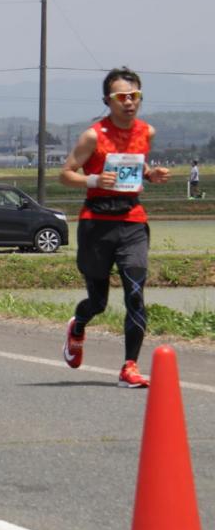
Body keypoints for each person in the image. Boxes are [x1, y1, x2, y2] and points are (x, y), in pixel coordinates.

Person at [60, 67, 169, 388]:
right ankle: (78, 326)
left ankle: (129, 367)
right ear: (108, 100)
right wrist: (94, 180)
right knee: (98, 302)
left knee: (135, 294)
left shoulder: (147, 132)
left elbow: (135, 163)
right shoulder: (93, 136)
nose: (129, 102)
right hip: (96, 224)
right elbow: (66, 174)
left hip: (132, 221)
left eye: (135, 96)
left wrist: (150, 174)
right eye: (122, 97)